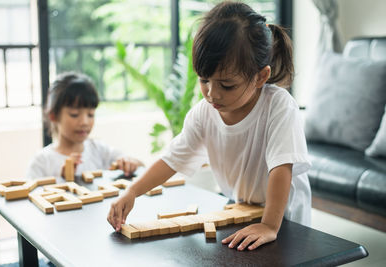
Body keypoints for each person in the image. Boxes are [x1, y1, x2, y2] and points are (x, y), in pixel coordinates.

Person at [107, 1, 311, 251]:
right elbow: (172, 159)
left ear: (261, 77)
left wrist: (269, 225)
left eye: (227, 85)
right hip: (243, 208)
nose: (212, 94)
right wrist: (132, 192)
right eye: (204, 80)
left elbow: (281, 169)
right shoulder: (204, 113)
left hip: (283, 217)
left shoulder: (279, 106)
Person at [26, 72, 144, 179]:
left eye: (90, 114)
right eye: (74, 114)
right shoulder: (41, 162)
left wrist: (130, 163)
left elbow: (141, 166)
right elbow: (31, 198)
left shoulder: (99, 151)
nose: (84, 122)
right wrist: (62, 178)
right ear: (54, 116)